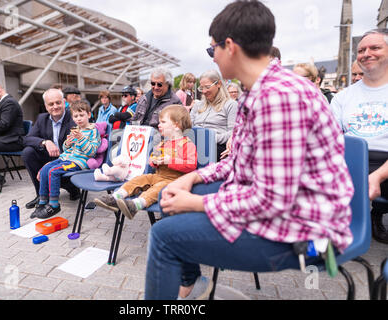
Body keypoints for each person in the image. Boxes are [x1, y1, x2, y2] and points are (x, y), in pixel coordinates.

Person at [145, 0, 354, 300]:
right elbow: (240, 163)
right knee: (173, 202)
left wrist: (196, 204)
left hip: (307, 231)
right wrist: (193, 179)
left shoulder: (278, 98)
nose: (212, 58)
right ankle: (192, 283)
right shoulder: (260, 90)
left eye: (211, 50)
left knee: (164, 236)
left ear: (229, 46)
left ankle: (186, 281)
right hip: (285, 206)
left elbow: (272, 200)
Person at [331, 28, 388, 244]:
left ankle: (374, 216)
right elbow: (329, 139)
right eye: (361, 50)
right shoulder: (343, 97)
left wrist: (378, 176)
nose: (366, 53)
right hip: (352, 160)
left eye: (374, 48)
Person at [94, 105, 197, 220]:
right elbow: (153, 160)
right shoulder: (162, 144)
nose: (159, 125)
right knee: (139, 179)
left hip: (176, 181)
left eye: (163, 122)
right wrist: (154, 161)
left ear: (176, 125)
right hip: (158, 176)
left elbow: (191, 165)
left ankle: (136, 205)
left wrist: (170, 161)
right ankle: (115, 198)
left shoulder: (187, 144)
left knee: (158, 188)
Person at [31, 100, 101, 219]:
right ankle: (42, 201)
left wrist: (81, 139)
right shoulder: (75, 130)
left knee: (54, 171)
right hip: (65, 158)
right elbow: (65, 149)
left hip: (79, 161)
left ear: (89, 115)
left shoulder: (93, 132)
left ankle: (54, 204)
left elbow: (91, 151)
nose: (79, 119)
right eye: (76, 116)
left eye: (81, 115)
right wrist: (67, 143)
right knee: (44, 169)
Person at [21, 88, 80, 210]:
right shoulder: (42, 118)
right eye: (51, 104)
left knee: (54, 171)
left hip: (69, 159)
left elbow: (77, 148)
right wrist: (45, 142)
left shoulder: (74, 117)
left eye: (58, 102)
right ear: (46, 106)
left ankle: (73, 188)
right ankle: (41, 194)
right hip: (50, 157)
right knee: (28, 152)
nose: (55, 106)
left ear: (64, 102)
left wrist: (50, 165)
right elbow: (26, 139)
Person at [190, 70, 238, 162]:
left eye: (207, 87)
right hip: (195, 144)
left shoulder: (231, 105)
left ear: (218, 84)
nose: (203, 91)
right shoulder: (198, 105)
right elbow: (189, 126)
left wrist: (209, 138)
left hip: (216, 146)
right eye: (201, 88)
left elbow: (233, 132)